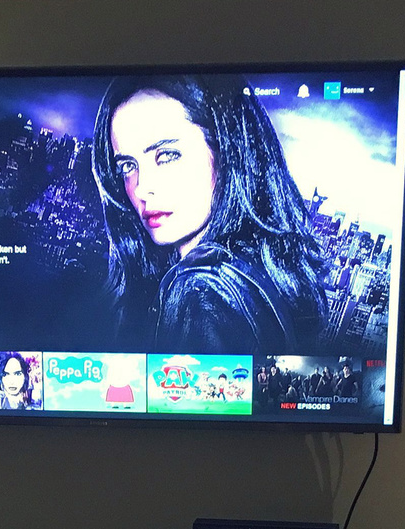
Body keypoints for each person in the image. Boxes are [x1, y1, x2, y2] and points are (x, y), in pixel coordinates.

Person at [90, 74, 327, 356]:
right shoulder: (253, 270)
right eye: (127, 166)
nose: (141, 188)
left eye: (167, 155)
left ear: (227, 151)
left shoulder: (200, 292)